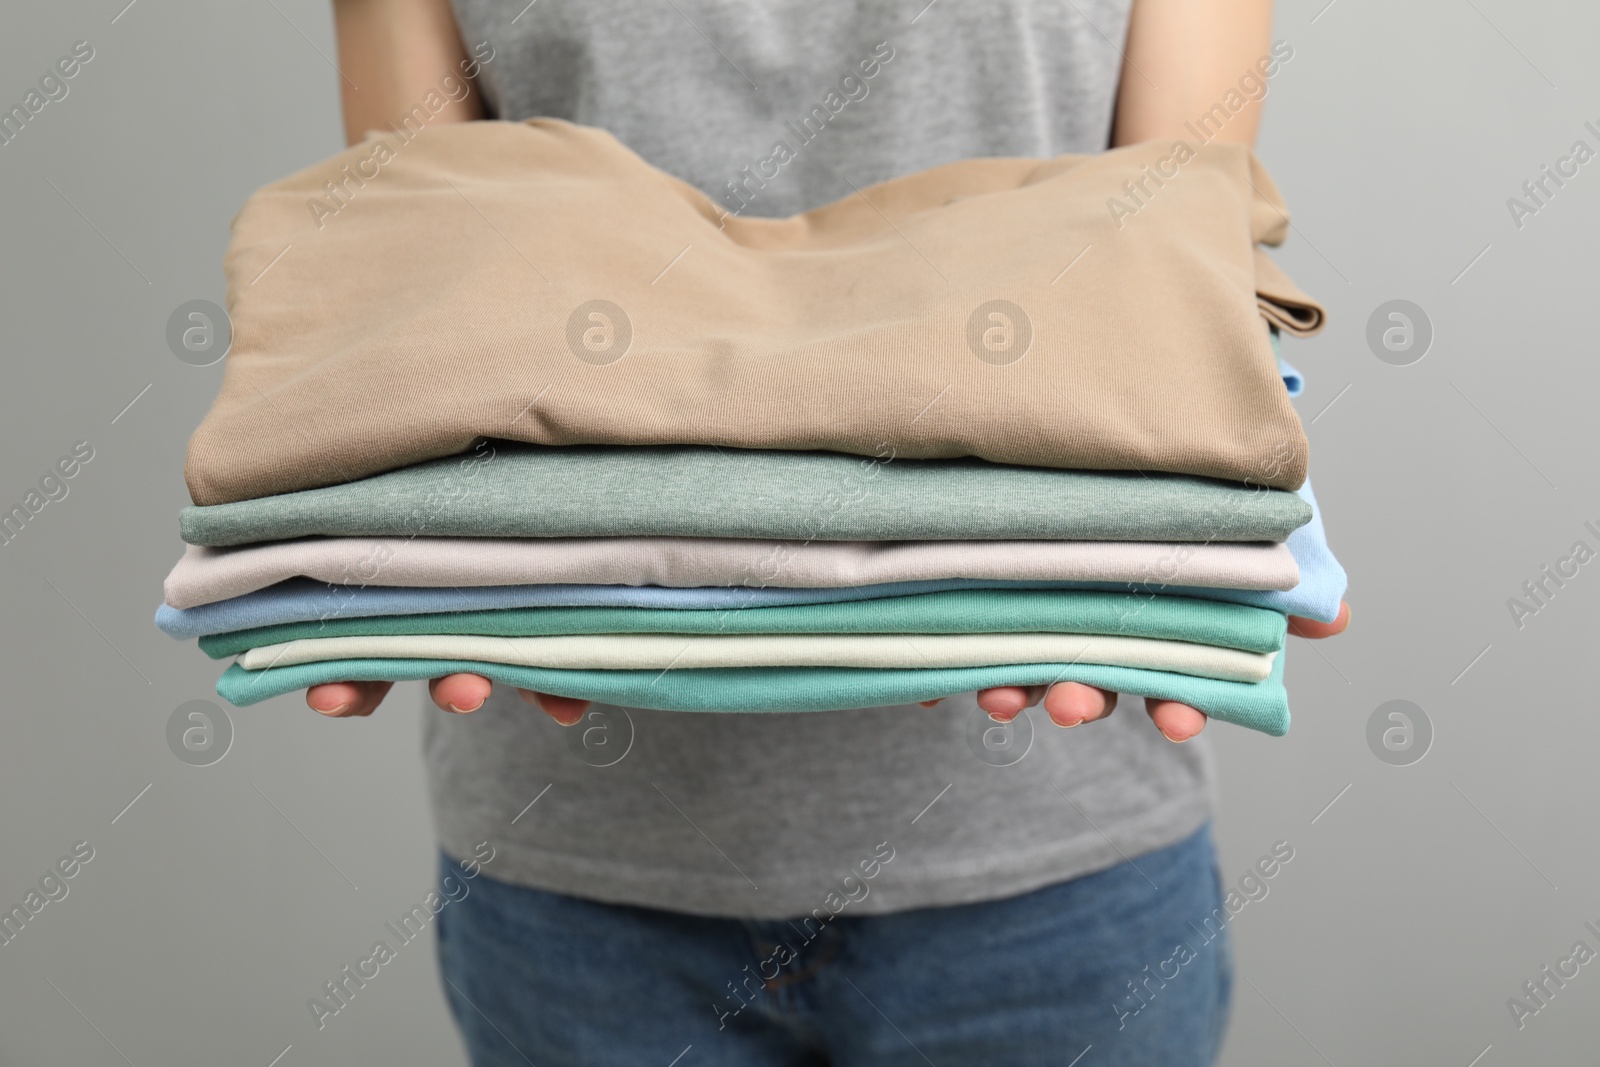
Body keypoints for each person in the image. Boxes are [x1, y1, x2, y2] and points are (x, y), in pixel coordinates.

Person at [319, 1, 1349, 1063]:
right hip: (576, 862)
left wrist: (1179, 535)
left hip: (1052, 853)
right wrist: (420, 561)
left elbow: (1167, 253)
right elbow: (433, 257)